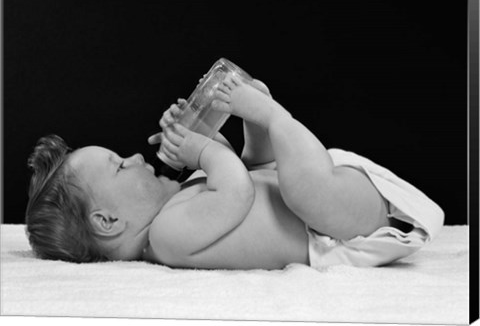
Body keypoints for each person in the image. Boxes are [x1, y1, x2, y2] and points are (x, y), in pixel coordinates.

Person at [25, 74, 444, 269]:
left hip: (322, 201)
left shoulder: (177, 212)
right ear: (108, 221)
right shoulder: (165, 238)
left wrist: (200, 132)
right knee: (301, 188)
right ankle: (273, 116)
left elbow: (238, 173)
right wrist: (200, 148)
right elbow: (237, 192)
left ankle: (259, 122)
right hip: (333, 226)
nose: (135, 158)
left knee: (265, 166)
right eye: (119, 165)